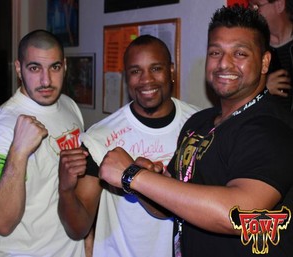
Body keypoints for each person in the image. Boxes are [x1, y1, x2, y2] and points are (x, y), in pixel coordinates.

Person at [98, 5, 293, 257]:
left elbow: (240, 215)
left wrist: (133, 176)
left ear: (265, 62)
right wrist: (149, 184)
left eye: (240, 53)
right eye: (215, 52)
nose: (224, 63)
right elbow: (174, 205)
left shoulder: (271, 127)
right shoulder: (198, 122)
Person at [58, 35, 200, 257]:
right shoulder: (99, 136)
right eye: (136, 71)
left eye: (156, 69)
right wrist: (65, 190)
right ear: (126, 77)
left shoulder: (199, 125)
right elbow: (78, 228)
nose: (146, 80)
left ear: (171, 70)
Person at [0, 29, 86, 257]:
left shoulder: (69, 106)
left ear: (64, 65)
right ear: (18, 69)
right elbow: (1, 223)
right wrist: (19, 151)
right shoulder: (2, 128)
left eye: (54, 67)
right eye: (34, 68)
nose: (46, 80)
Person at [249, 0, 293, 112]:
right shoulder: (250, 50)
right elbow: (234, 103)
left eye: (257, 6)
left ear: (279, 5)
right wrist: (262, 90)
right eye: (250, 6)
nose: (252, 12)